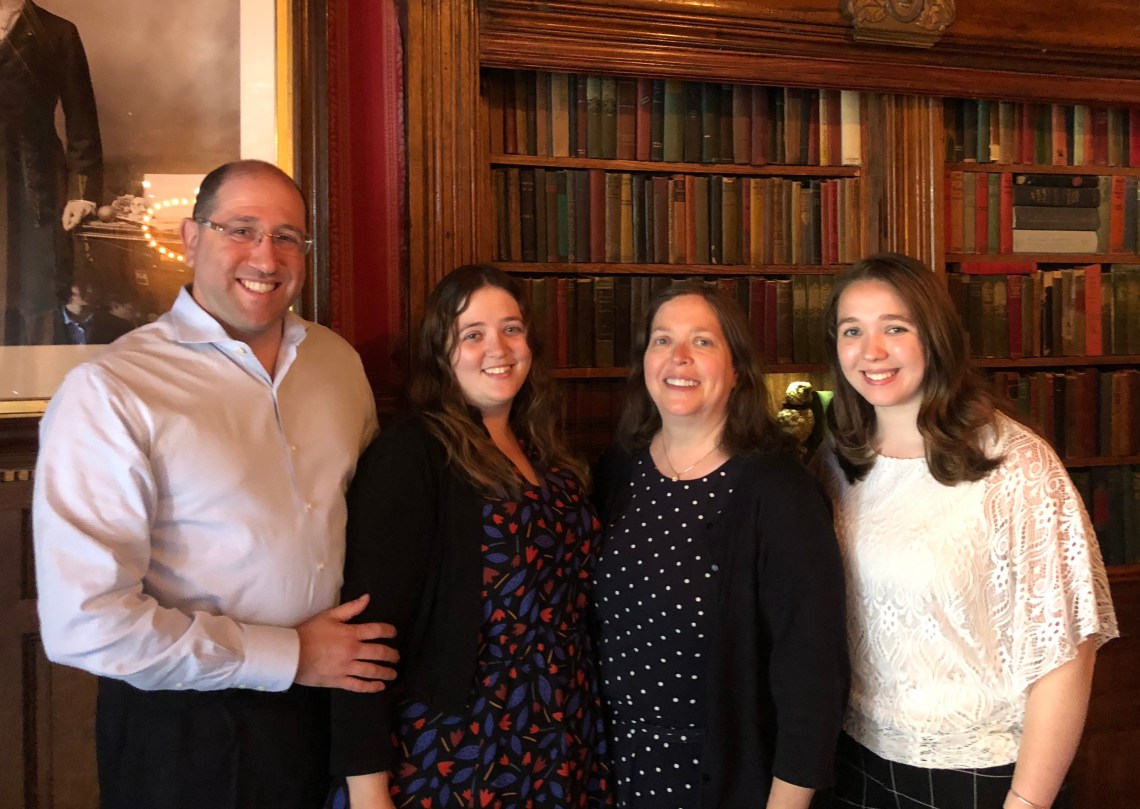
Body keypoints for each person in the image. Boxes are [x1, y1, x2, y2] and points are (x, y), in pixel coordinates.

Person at [33, 159, 397, 809]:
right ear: (191, 238)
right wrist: (289, 655)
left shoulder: (337, 364)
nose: (266, 255)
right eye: (241, 229)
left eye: (288, 236)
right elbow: (84, 623)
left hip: (328, 705)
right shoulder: (112, 390)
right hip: (185, 727)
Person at [810, 253, 1119, 809]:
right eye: (852, 330)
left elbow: (1066, 653)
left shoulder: (1016, 466)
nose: (871, 351)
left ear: (936, 337)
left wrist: (1026, 802)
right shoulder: (835, 459)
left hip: (980, 771)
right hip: (854, 755)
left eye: (895, 328)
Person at [330, 264, 612, 809]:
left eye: (511, 329)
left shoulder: (547, 452)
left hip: (564, 730)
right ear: (441, 351)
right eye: (472, 334)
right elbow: (365, 633)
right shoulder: (412, 455)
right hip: (461, 745)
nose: (498, 349)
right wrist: (367, 789)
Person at [591, 281, 848, 809]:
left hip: (726, 778)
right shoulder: (616, 471)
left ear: (737, 371)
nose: (679, 357)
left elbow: (813, 671)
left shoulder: (779, 491)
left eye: (703, 341)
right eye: (662, 340)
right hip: (612, 767)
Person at [0, 0, 103, 345]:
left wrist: (82, 192)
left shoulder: (57, 33)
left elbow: (81, 116)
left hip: (35, 180)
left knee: (36, 294)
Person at [53, 276, 133, 344]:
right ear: (68, 286)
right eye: (83, 283)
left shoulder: (118, 326)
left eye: (94, 285)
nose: (90, 290)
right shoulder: (48, 323)